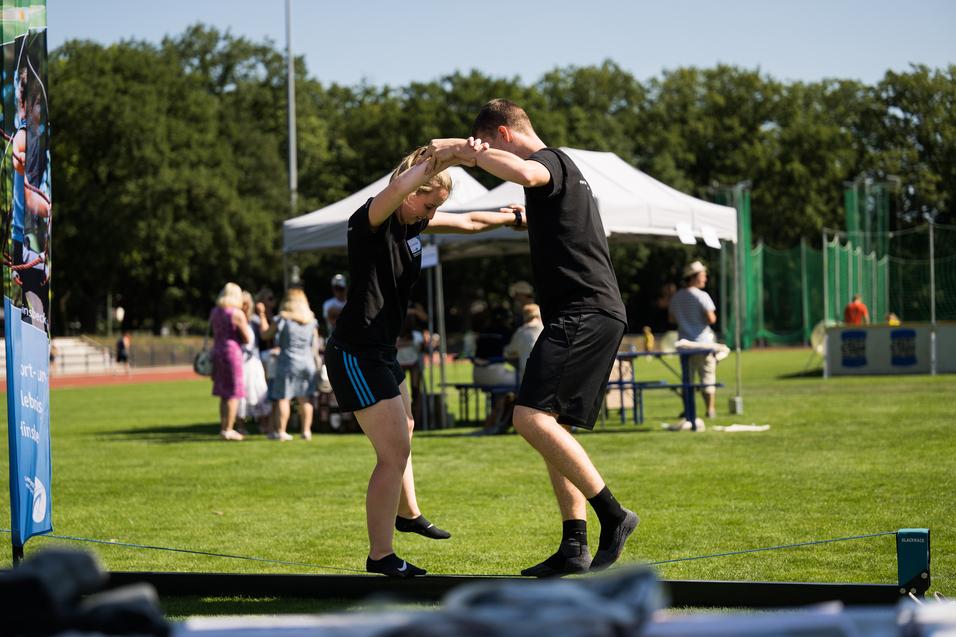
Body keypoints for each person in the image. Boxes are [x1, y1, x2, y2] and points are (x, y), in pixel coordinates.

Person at [422, 99, 638, 577]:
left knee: (528, 417)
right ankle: (574, 545)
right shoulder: (560, 173)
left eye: (488, 145)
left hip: (584, 311)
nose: (486, 154)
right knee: (551, 428)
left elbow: (525, 172)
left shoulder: (548, 162)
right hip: (588, 312)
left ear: (502, 134)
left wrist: (464, 151)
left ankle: (613, 514)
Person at [324, 142, 528, 578]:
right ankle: (381, 557)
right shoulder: (371, 219)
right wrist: (450, 153)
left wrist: (511, 218)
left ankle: (409, 513)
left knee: (408, 424)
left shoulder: (414, 223)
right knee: (393, 452)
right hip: (355, 353)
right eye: (429, 204)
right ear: (413, 191)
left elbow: (470, 221)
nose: (432, 214)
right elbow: (400, 187)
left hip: (382, 350)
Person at [669, 261, 719, 420]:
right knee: (707, 378)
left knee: (687, 380)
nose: (705, 278)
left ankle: (689, 410)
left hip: (684, 345)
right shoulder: (702, 296)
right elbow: (711, 319)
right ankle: (710, 410)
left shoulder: (677, 297)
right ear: (694, 277)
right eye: (703, 275)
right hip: (703, 343)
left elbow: (671, 319)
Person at [269, 288, 320, 441]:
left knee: (283, 398)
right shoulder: (312, 321)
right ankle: (306, 431)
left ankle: (281, 431)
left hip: (287, 362)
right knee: (305, 399)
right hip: (307, 363)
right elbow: (315, 345)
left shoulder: (282, 319)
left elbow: (266, 334)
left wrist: (264, 316)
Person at [210, 283, 250, 441]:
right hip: (232, 352)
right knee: (233, 392)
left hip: (217, 351)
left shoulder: (215, 312)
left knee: (223, 393)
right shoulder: (236, 313)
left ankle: (223, 428)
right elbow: (247, 338)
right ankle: (229, 429)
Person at [237, 291, 272, 433]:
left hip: (254, 361)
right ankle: (240, 425)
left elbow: (265, 334)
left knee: (259, 390)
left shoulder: (254, 320)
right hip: (240, 360)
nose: (243, 307)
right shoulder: (235, 319)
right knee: (241, 392)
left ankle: (263, 423)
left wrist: (262, 314)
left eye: (245, 304)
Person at [504, 303, 544, 381]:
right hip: (548, 374)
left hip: (526, 376)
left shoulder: (521, 331)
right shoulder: (546, 329)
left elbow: (509, 352)